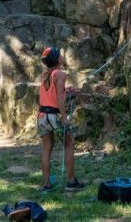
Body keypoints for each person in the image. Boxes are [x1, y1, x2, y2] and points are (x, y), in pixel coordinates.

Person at [37, 46, 85, 193]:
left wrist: (66, 90)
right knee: (69, 144)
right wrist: (64, 118)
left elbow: (53, 93)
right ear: (58, 59)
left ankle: (46, 184)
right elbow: (58, 98)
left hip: (42, 116)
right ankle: (71, 182)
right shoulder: (60, 74)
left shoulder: (46, 74)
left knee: (47, 148)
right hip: (54, 116)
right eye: (61, 55)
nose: (63, 57)